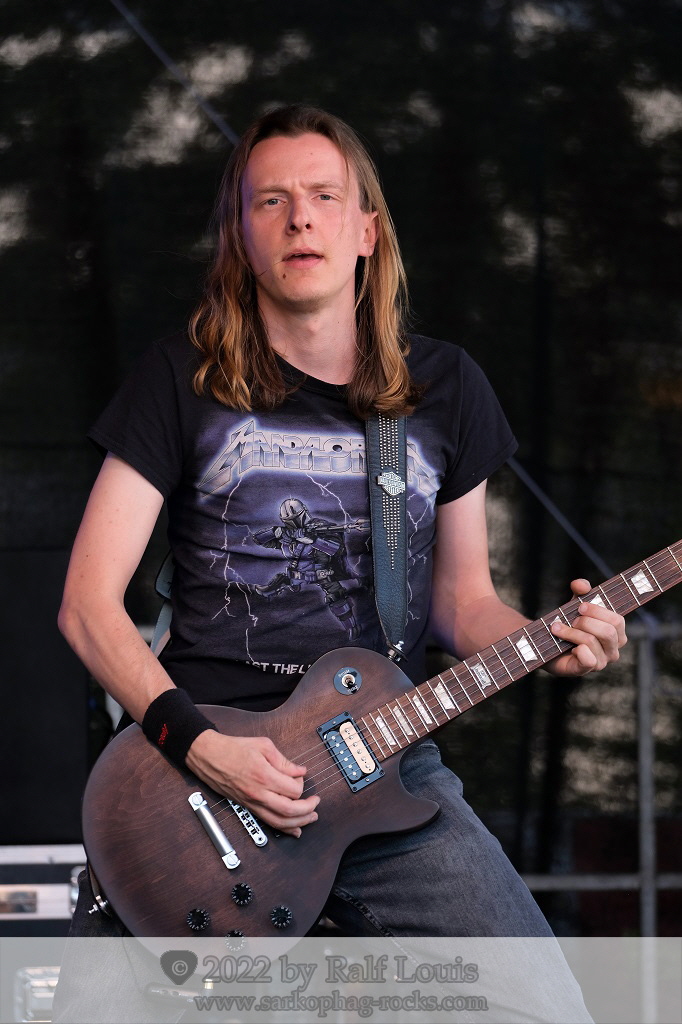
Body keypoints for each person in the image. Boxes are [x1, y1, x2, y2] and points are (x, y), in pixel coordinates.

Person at [54, 105, 626, 1021]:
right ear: (242, 238)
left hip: (385, 765)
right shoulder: (179, 381)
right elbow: (88, 605)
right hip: (197, 774)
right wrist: (203, 748)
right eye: (270, 200)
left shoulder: (443, 390)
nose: (299, 219)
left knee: (549, 1009)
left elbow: (462, 604)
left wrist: (550, 640)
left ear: (367, 230)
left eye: (324, 196)